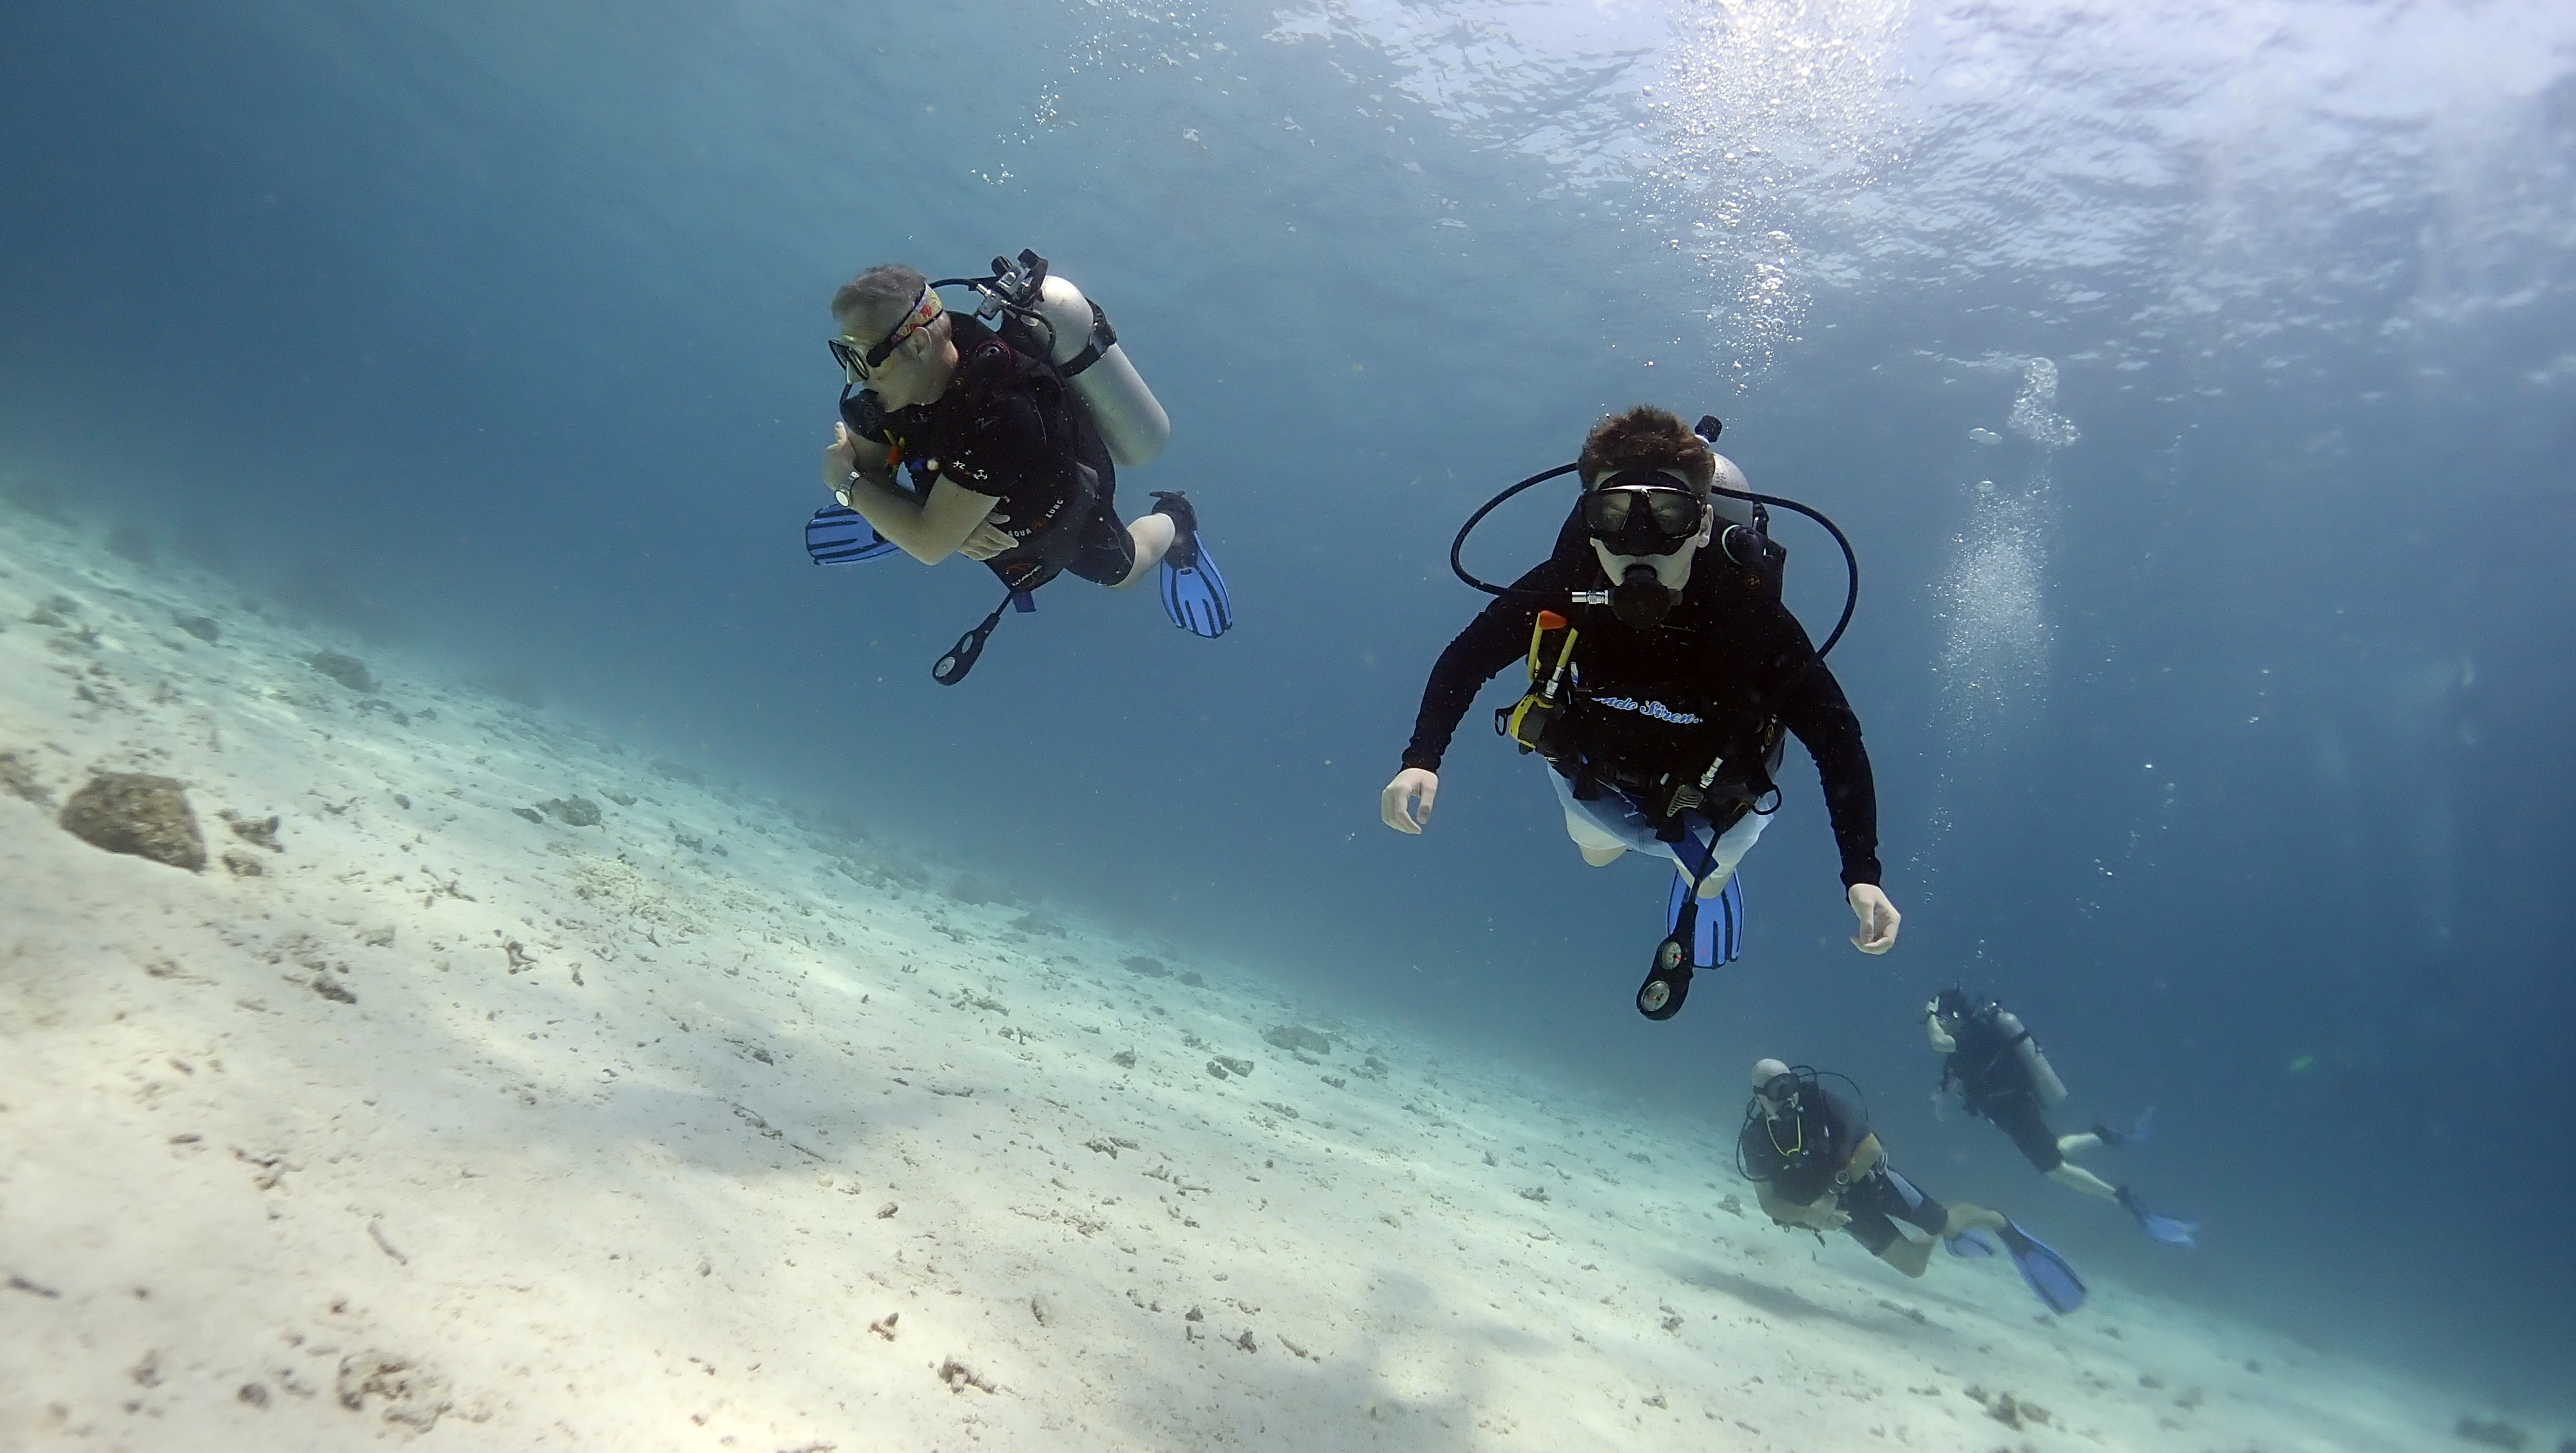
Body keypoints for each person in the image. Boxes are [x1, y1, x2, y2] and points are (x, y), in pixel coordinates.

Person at [1379, 405, 1897, 1020]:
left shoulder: (1749, 616)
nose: (1638, 546)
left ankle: (1699, 876)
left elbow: (1837, 737)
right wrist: (1422, 758)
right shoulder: (1567, 585)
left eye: (1668, 517)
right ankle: (1651, 857)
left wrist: (1862, 870)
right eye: (1614, 517)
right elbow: (1465, 659)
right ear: (1589, 525)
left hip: (1716, 807)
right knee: (1595, 852)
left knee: (1705, 880)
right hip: (1593, 783)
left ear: (1703, 525)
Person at [815, 262, 1230, 679]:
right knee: (892, 496)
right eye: (844, 355)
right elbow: (881, 481)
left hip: (1062, 514)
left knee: (1124, 571)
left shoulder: (1002, 415)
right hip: (963, 484)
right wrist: (920, 515)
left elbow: (927, 544)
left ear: (921, 342)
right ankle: (918, 513)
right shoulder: (892, 384)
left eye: (866, 358)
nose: (854, 377)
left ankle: (1176, 523)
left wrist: (845, 484)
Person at [1739, 1059, 2087, 1314]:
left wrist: (1831, 1193)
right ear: (1759, 1097)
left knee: (1947, 1225)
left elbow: (1872, 1146)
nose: (1788, 1097)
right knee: (1914, 1267)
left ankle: (1995, 1220)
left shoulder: (1820, 1102)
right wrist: (1813, 1218)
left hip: (1875, 1182)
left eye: (1790, 1086)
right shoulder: (1756, 1140)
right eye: (1776, 1091)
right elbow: (1769, 1203)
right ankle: (1937, 1228)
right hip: (1845, 1214)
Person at [1926, 987, 2197, 1246]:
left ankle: (2121, 1197)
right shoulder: (1958, 1052)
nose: (1940, 1025)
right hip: (2007, 1117)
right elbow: (1949, 1082)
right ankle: (2101, 1135)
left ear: (1955, 1016)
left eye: (1942, 1019)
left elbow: (1940, 1042)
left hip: (2018, 1111)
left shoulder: (1976, 1035)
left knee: (2054, 1170)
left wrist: (1929, 1016)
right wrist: (1940, 1102)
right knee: (2053, 1150)